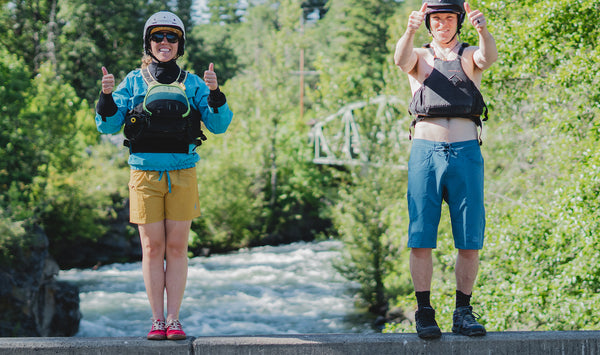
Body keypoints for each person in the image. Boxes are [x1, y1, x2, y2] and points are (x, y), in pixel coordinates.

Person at [95, 11, 233, 340]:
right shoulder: (132, 81)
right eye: (158, 36)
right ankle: (157, 320)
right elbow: (109, 126)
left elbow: (218, 125)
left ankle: (174, 319)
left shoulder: (195, 83)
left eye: (172, 37)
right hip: (144, 174)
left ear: (180, 44)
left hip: (183, 173)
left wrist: (216, 94)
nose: (165, 43)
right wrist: (106, 97)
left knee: (177, 248)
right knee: (153, 249)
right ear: (149, 42)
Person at [393, 0, 497, 339]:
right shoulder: (420, 57)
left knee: (469, 238)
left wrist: (483, 31)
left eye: (449, 18)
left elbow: (488, 58)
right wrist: (409, 30)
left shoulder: (469, 55)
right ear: (429, 24)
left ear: (458, 22)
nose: (443, 24)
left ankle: (463, 312)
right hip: (425, 152)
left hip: (466, 152)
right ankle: (424, 312)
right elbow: (400, 60)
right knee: (421, 235)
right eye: (436, 19)